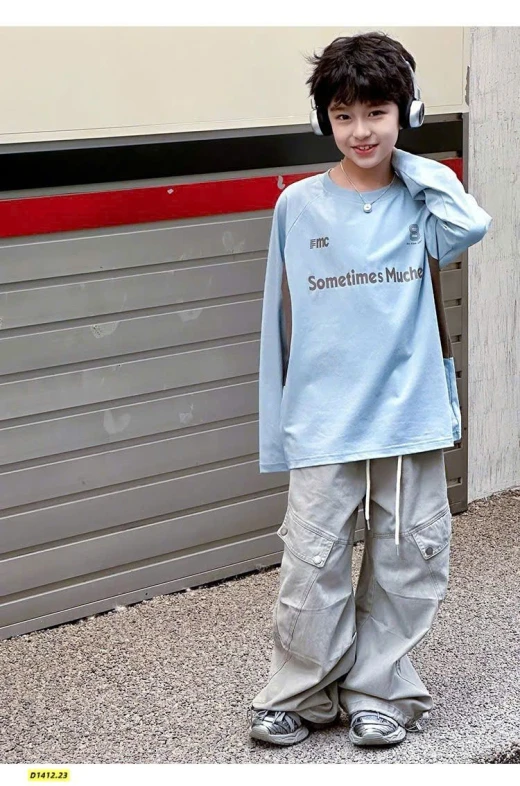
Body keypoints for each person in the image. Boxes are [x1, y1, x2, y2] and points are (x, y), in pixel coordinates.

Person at [247, 31, 492, 748]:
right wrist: (279, 426)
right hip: (324, 417)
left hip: (409, 414)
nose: (361, 131)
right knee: (311, 561)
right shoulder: (297, 206)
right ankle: (302, 692)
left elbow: (471, 223)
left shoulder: (422, 201)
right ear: (322, 119)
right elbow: (279, 324)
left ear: (406, 113)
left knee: (408, 559)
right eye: (344, 115)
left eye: (378, 112)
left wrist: (405, 158)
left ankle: (380, 690)